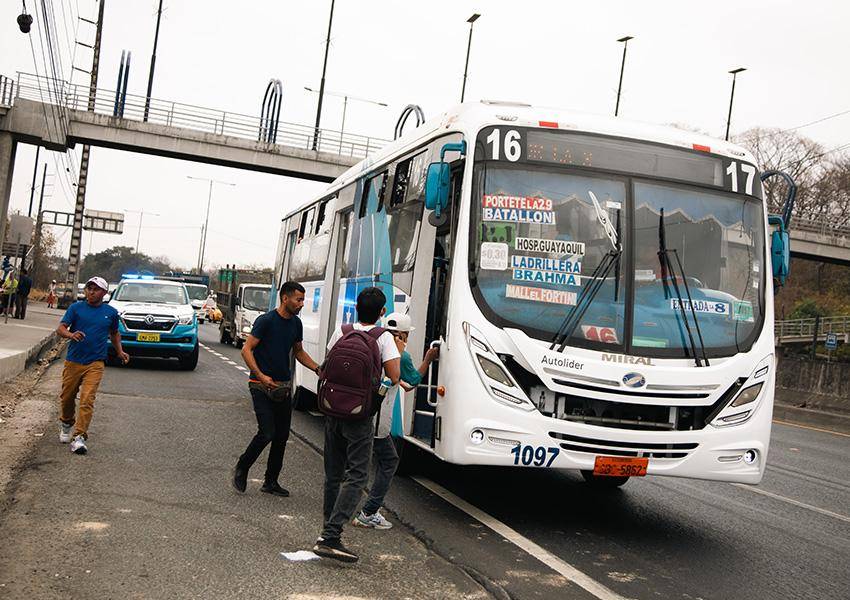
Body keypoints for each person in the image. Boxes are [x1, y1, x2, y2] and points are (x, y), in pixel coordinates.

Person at [312, 287, 400, 563]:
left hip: (332, 410)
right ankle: (331, 536)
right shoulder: (384, 337)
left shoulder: (343, 331)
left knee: (333, 474)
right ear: (382, 312)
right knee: (358, 475)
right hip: (360, 415)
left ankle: (328, 529)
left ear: (356, 308)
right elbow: (395, 375)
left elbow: (327, 364)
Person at [233, 281, 320, 497]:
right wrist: (261, 376)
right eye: (298, 299)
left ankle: (270, 482)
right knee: (267, 432)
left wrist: (317, 368)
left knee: (281, 436)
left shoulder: (296, 324)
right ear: (285, 298)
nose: (301, 304)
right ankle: (242, 466)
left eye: (303, 300)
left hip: (282, 388)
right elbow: (247, 350)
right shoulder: (266, 321)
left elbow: (298, 352)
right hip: (260, 386)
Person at [352, 312, 438, 531]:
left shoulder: (371, 341)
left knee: (353, 461)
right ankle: (368, 512)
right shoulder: (401, 355)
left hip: (356, 412)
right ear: (401, 334)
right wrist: (428, 359)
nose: (407, 338)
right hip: (378, 417)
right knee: (389, 461)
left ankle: (338, 508)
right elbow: (412, 381)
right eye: (407, 334)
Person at [56, 276, 129, 454]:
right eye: (89, 288)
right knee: (67, 397)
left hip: (96, 362)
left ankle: (79, 437)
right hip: (74, 361)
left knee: (87, 399)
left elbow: (114, 333)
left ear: (104, 293)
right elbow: (61, 328)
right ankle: (67, 422)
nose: (91, 291)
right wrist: (71, 335)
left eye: (95, 289)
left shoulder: (110, 313)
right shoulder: (76, 308)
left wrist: (119, 351)